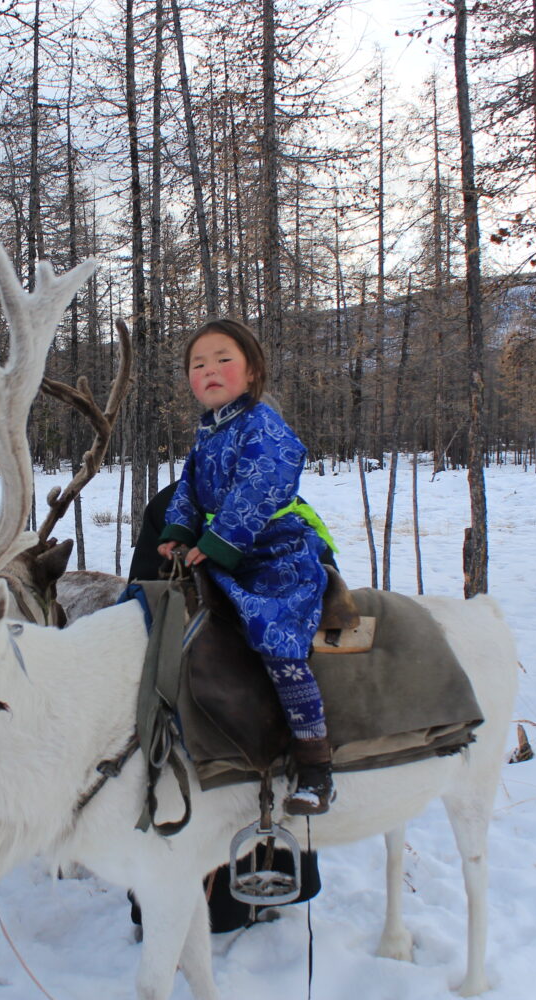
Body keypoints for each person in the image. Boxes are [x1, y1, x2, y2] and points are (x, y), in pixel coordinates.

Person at [156, 318, 337, 815]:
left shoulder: (263, 424)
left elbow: (261, 486)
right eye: (198, 364)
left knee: (274, 634)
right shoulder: (207, 434)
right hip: (225, 551)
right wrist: (178, 532)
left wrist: (219, 541)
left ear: (253, 371)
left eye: (222, 359)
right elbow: (188, 491)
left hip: (274, 551)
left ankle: (315, 761)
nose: (209, 370)